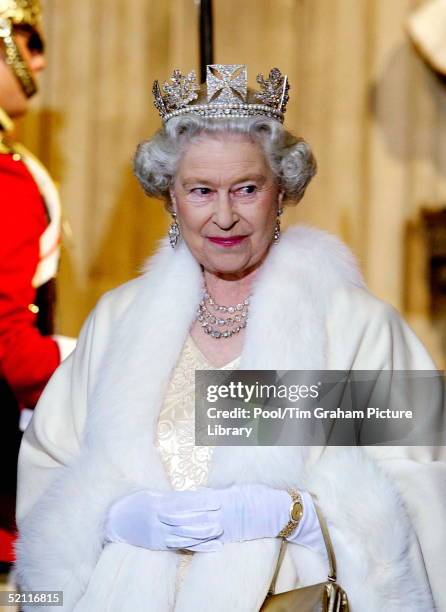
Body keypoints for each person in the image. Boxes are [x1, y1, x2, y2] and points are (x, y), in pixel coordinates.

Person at [14, 64, 445, 611]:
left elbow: (426, 492)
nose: (224, 217)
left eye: (246, 189)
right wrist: (108, 516)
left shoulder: (356, 327)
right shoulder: (118, 321)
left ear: (281, 192)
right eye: (201, 191)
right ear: (170, 198)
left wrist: (306, 520)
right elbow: (51, 466)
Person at [0, 0, 75, 571]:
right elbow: (13, 353)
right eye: (30, 42)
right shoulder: (9, 180)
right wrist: (88, 360)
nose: (40, 63)